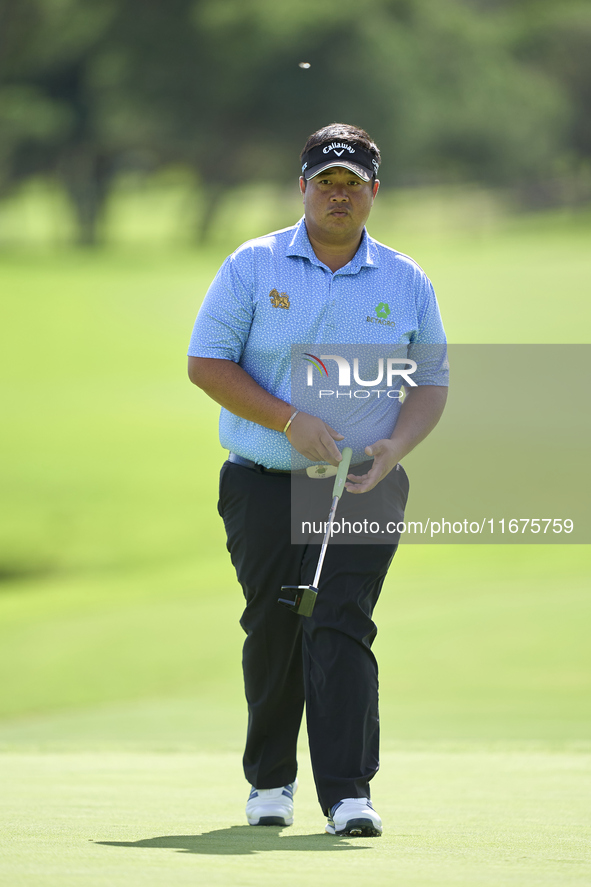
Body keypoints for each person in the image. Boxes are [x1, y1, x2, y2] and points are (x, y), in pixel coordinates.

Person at [187, 123, 448, 837]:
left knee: (338, 620)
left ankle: (348, 794)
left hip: (362, 482)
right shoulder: (253, 265)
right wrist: (286, 419)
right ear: (302, 187)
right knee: (273, 625)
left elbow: (429, 382)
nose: (340, 195)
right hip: (264, 479)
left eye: (352, 184)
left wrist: (395, 445)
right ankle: (270, 781)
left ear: (373, 192)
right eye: (326, 182)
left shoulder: (404, 278)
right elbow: (207, 363)